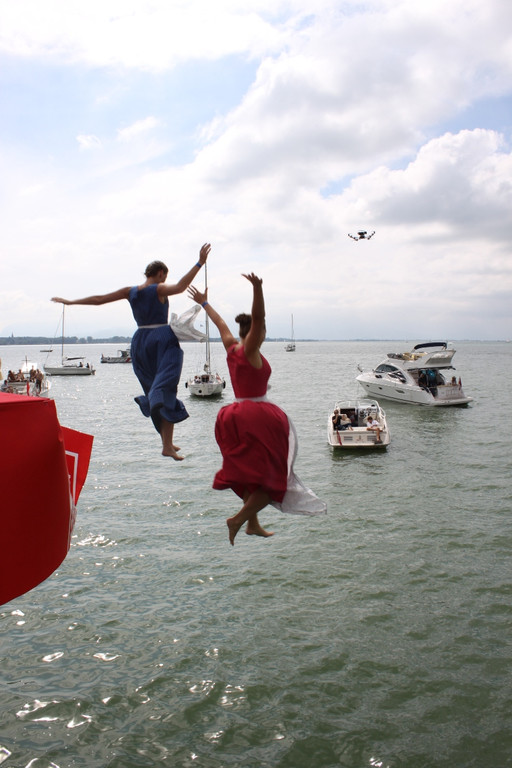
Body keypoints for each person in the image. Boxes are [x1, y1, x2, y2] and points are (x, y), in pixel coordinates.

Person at [188, 271, 326, 546]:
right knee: (275, 479)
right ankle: (238, 519)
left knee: (249, 475)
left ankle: (252, 523)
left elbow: (219, 322)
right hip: (256, 417)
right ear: (257, 332)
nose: (264, 332)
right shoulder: (250, 350)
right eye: (262, 330)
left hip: (233, 415)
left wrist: (204, 303)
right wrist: (257, 288)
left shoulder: (231, 346)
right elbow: (259, 317)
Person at [52, 243, 211, 459]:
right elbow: (182, 286)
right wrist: (199, 262)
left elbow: (99, 300)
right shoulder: (158, 289)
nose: (164, 280)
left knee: (154, 388)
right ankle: (166, 442)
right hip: (161, 338)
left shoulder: (130, 291)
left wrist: (71, 302)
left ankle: (167, 443)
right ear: (161, 273)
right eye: (164, 277)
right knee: (166, 388)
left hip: (140, 342)